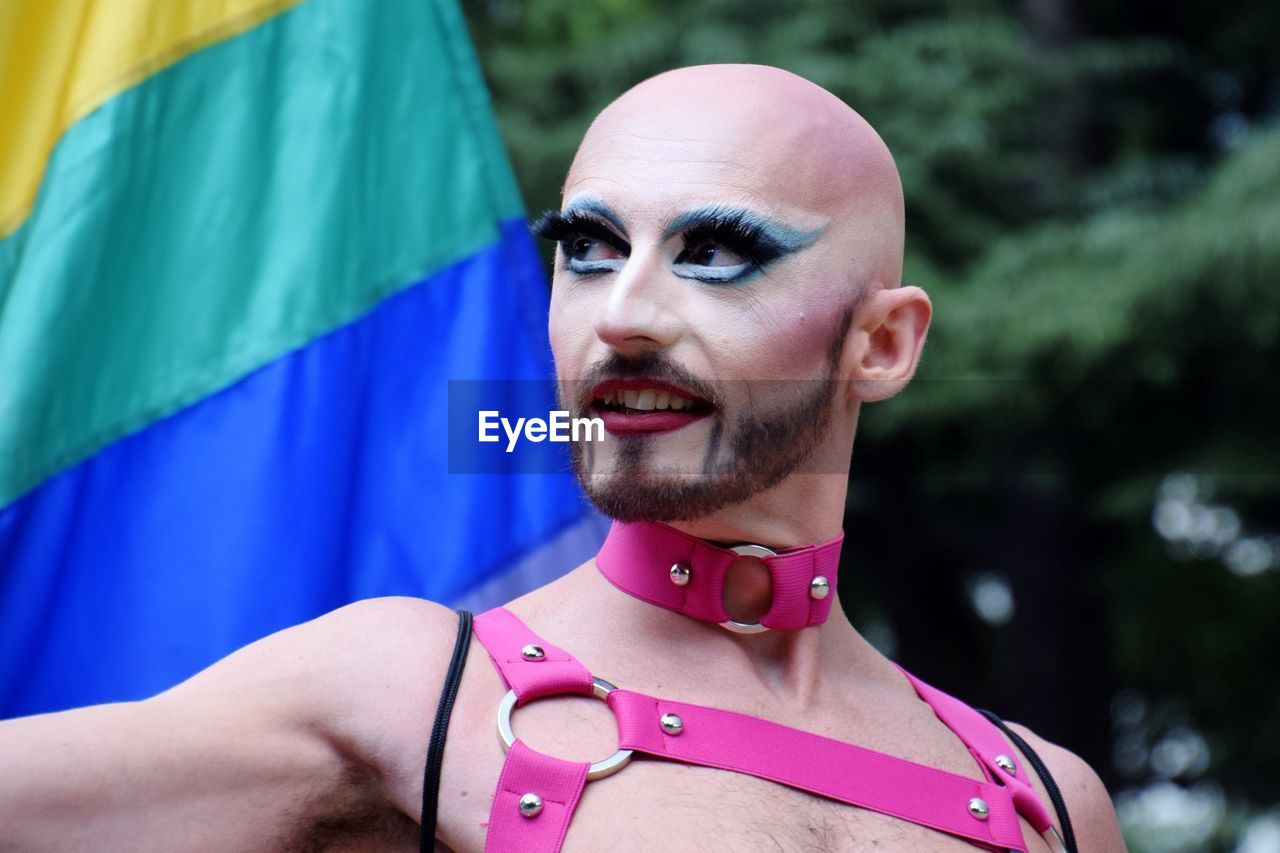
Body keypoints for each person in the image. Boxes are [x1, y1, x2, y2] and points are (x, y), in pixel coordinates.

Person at [0, 64, 1127, 852]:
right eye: (586, 250)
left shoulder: (1047, 803)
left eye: (716, 252)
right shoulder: (406, 692)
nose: (621, 313)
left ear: (879, 344)